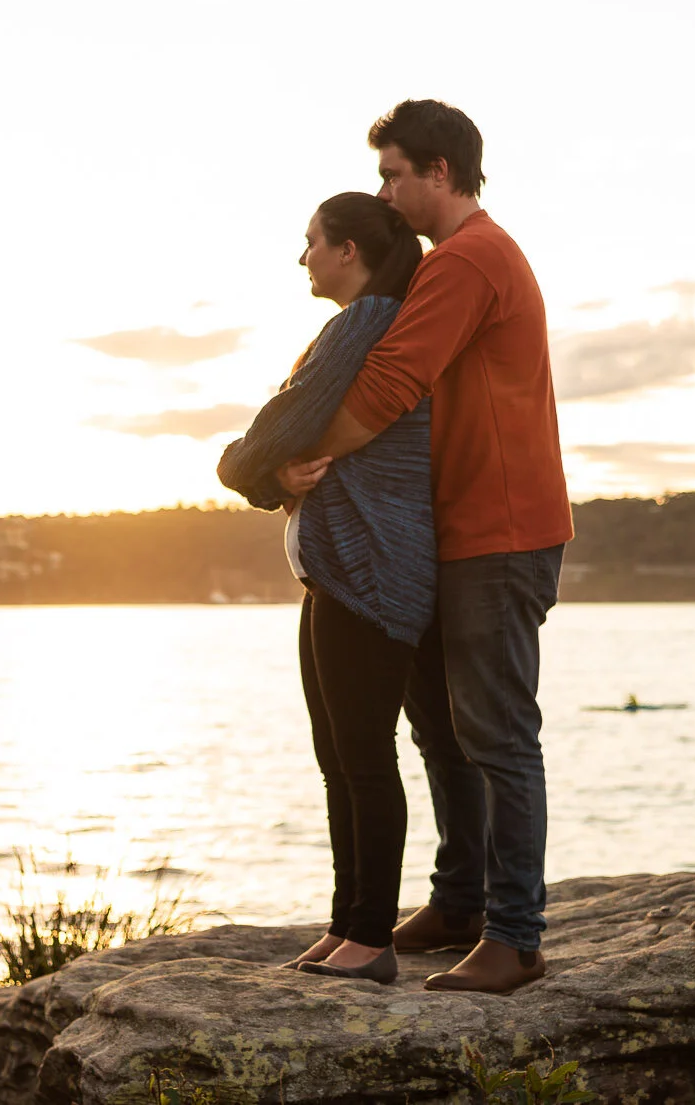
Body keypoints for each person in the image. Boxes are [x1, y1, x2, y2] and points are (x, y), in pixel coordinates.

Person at [289, 99, 572, 995]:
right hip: (449, 536)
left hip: (500, 531)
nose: (386, 191)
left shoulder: (468, 260)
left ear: (440, 173)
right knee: (442, 731)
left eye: (395, 173)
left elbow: (390, 381)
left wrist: (303, 454)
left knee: (495, 733)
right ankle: (460, 902)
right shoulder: (459, 261)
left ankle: (516, 934)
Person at [216, 192, 435, 985]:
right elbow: (286, 442)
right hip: (341, 574)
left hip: (371, 574)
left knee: (363, 757)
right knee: (338, 756)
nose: (301, 256)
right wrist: (274, 473)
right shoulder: (366, 322)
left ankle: (372, 936)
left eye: (310, 242)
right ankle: (349, 923)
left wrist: (245, 467)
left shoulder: (363, 321)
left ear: (347, 251)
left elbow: (274, 427)